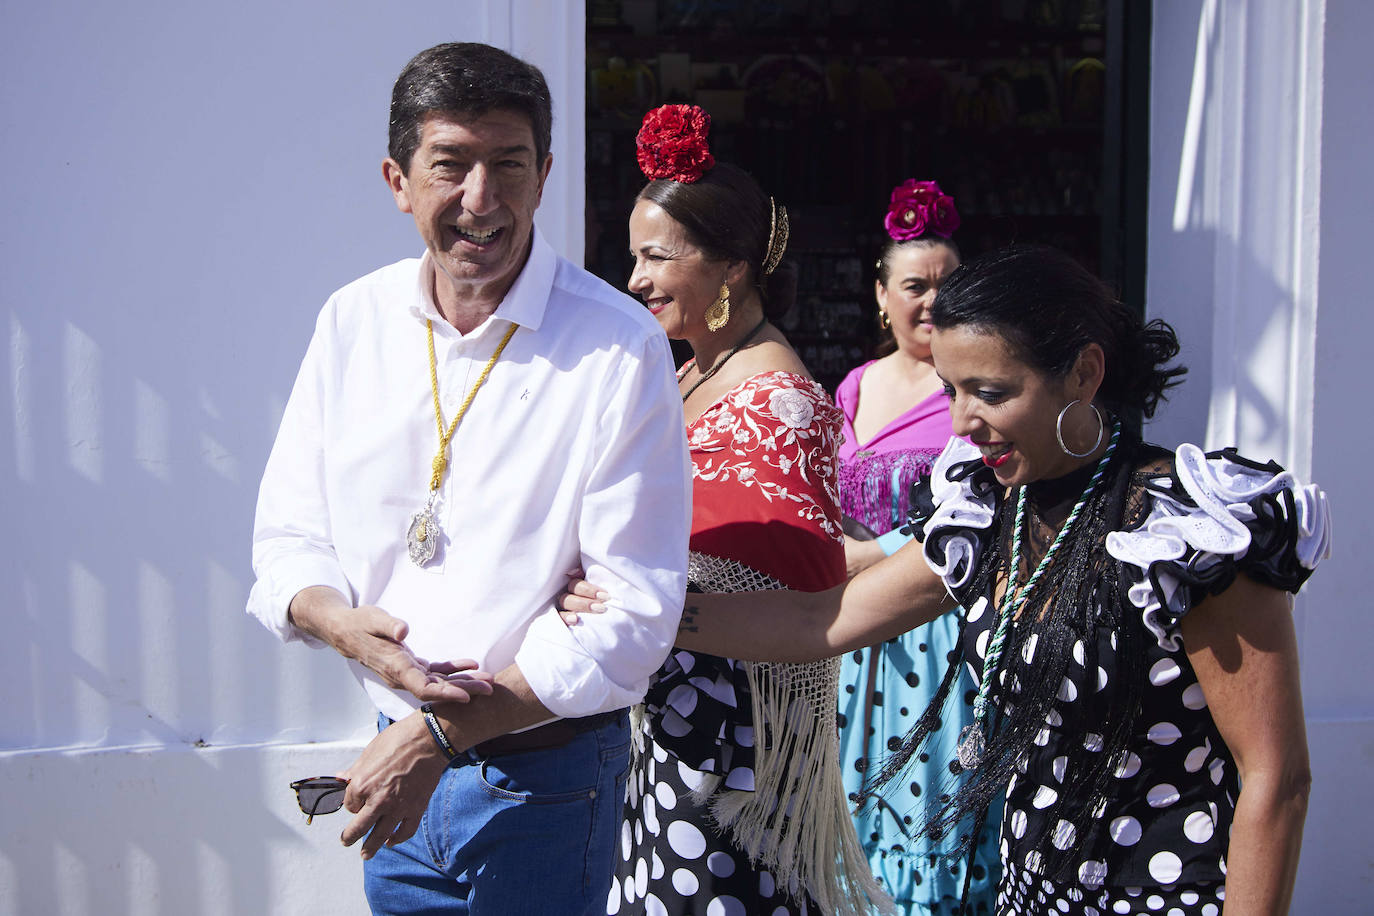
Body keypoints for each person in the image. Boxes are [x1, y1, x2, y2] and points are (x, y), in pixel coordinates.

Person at [564, 245, 1331, 915]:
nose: (962, 423)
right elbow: (821, 622)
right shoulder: (993, 509)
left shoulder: (1188, 533)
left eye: (992, 393)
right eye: (952, 389)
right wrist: (656, 613)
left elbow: (1277, 776)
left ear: (1085, 372)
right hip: (1030, 893)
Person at [247, 43, 692, 915]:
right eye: (450, 166)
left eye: (509, 166)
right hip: (392, 766)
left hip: (546, 780)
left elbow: (635, 616)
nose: (481, 200)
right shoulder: (354, 321)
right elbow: (286, 536)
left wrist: (442, 734)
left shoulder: (616, 345)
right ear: (397, 180)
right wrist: (340, 623)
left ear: (546, 175)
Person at [587, 103, 888, 915]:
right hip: (676, 710)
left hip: (729, 741)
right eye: (632, 257)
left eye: (656, 257)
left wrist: (628, 592)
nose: (636, 279)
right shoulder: (694, 369)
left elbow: (800, 574)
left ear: (730, 267)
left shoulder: (774, 399)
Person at [835, 179, 999, 915]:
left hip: (935, 634)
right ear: (880, 294)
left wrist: (865, 559)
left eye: (948, 285)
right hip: (845, 642)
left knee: (925, 810)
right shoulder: (855, 385)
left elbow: (985, 512)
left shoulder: (974, 392)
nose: (930, 301)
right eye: (914, 285)